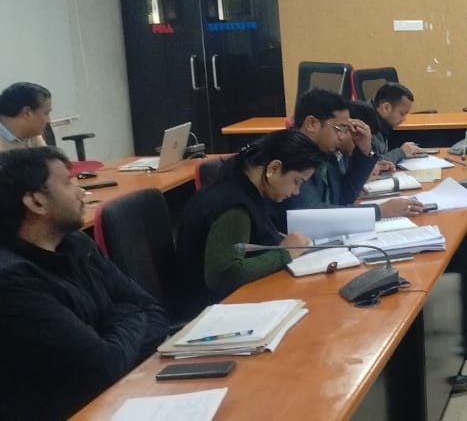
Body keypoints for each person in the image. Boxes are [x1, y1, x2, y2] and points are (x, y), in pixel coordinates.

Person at [0, 147, 169, 419]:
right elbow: (102, 367)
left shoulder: (77, 243)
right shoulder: (11, 281)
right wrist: (126, 312)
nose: (81, 192)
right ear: (36, 202)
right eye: (68, 182)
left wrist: (112, 333)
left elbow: (154, 312)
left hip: (120, 392)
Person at [176, 130, 326, 319]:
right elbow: (224, 274)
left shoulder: (239, 183)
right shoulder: (235, 208)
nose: (297, 191)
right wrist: (284, 253)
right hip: (212, 313)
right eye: (297, 182)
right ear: (274, 169)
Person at [285, 89, 422, 219]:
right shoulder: (290, 156)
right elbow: (311, 214)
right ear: (312, 124)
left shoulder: (326, 153)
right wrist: (380, 211)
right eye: (340, 128)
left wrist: (364, 151)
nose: (341, 136)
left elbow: (344, 197)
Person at [371, 82, 425, 164]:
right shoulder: (366, 124)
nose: (404, 119)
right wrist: (401, 152)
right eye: (402, 113)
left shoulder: (382, 123)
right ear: (386, 108)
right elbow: (372, 164)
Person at [0, 82, 52, 152]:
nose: (49, 120)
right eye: (46, 113)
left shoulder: (31, 133)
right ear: (27, 113)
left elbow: (49, 157)